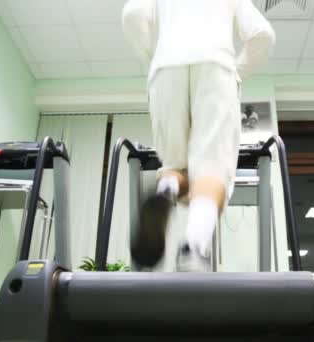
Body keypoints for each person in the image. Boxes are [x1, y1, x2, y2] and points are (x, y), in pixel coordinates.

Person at [122, 0, 275, 271]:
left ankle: (167, 189)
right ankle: (193, 246)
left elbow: (132, 15)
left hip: (164, 70)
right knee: (211, 171)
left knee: (174, 165)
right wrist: (237, 71)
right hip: (216, 67)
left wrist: (155, 58)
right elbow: (262, 34)